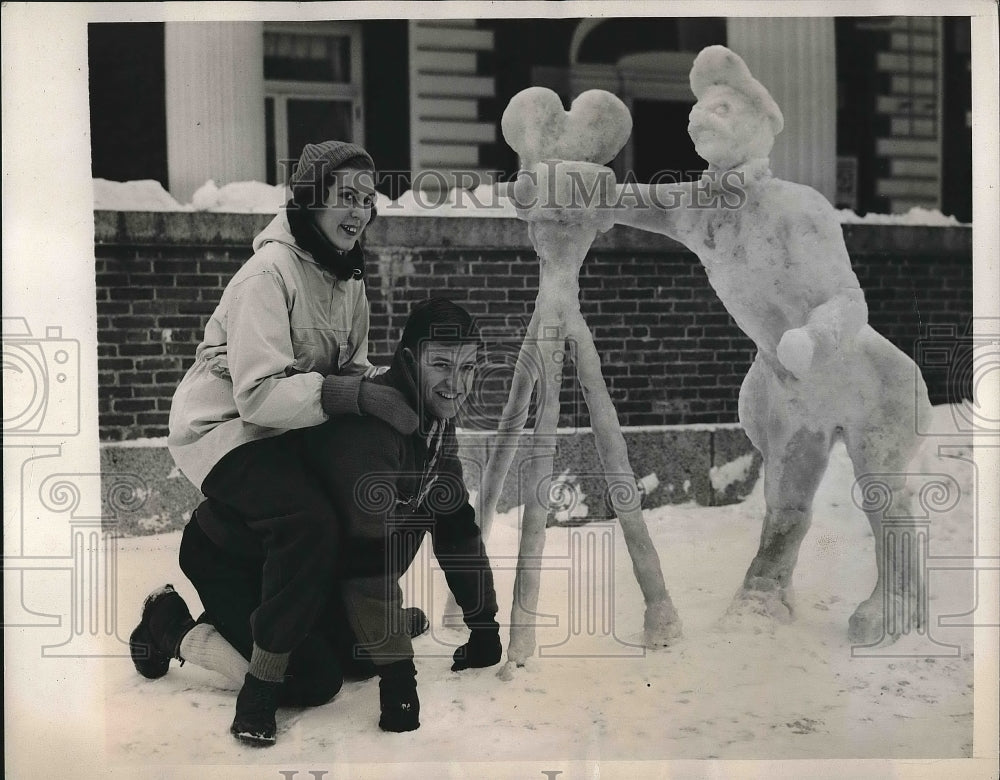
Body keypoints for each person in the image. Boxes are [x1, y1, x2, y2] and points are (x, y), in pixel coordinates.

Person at [132, 140, 419, 745]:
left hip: (284, 433)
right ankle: (175, 630)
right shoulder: (268, 274)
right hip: (225, 432)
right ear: (310, 199)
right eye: (346, 197)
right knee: (307, 536)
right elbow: (260, 394)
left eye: (368, 200)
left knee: (354, 513)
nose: (359, 212)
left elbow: (351, 373)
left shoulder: (350, 281)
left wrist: (401, 389)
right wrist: (358, 396)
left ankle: (329, 622)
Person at [131, 298, 502, 745]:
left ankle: (257, 624)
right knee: (313, 680)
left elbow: (456, 526)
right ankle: (169, 625)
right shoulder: (372, 437)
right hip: (234, 555)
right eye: (441, 364)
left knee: (360, 656)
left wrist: (484, 628)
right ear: (408, 361)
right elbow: (367, 567)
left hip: (305, 575)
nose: (456, 384)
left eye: (468, 368)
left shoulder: (433, 425)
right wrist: (399, 682)